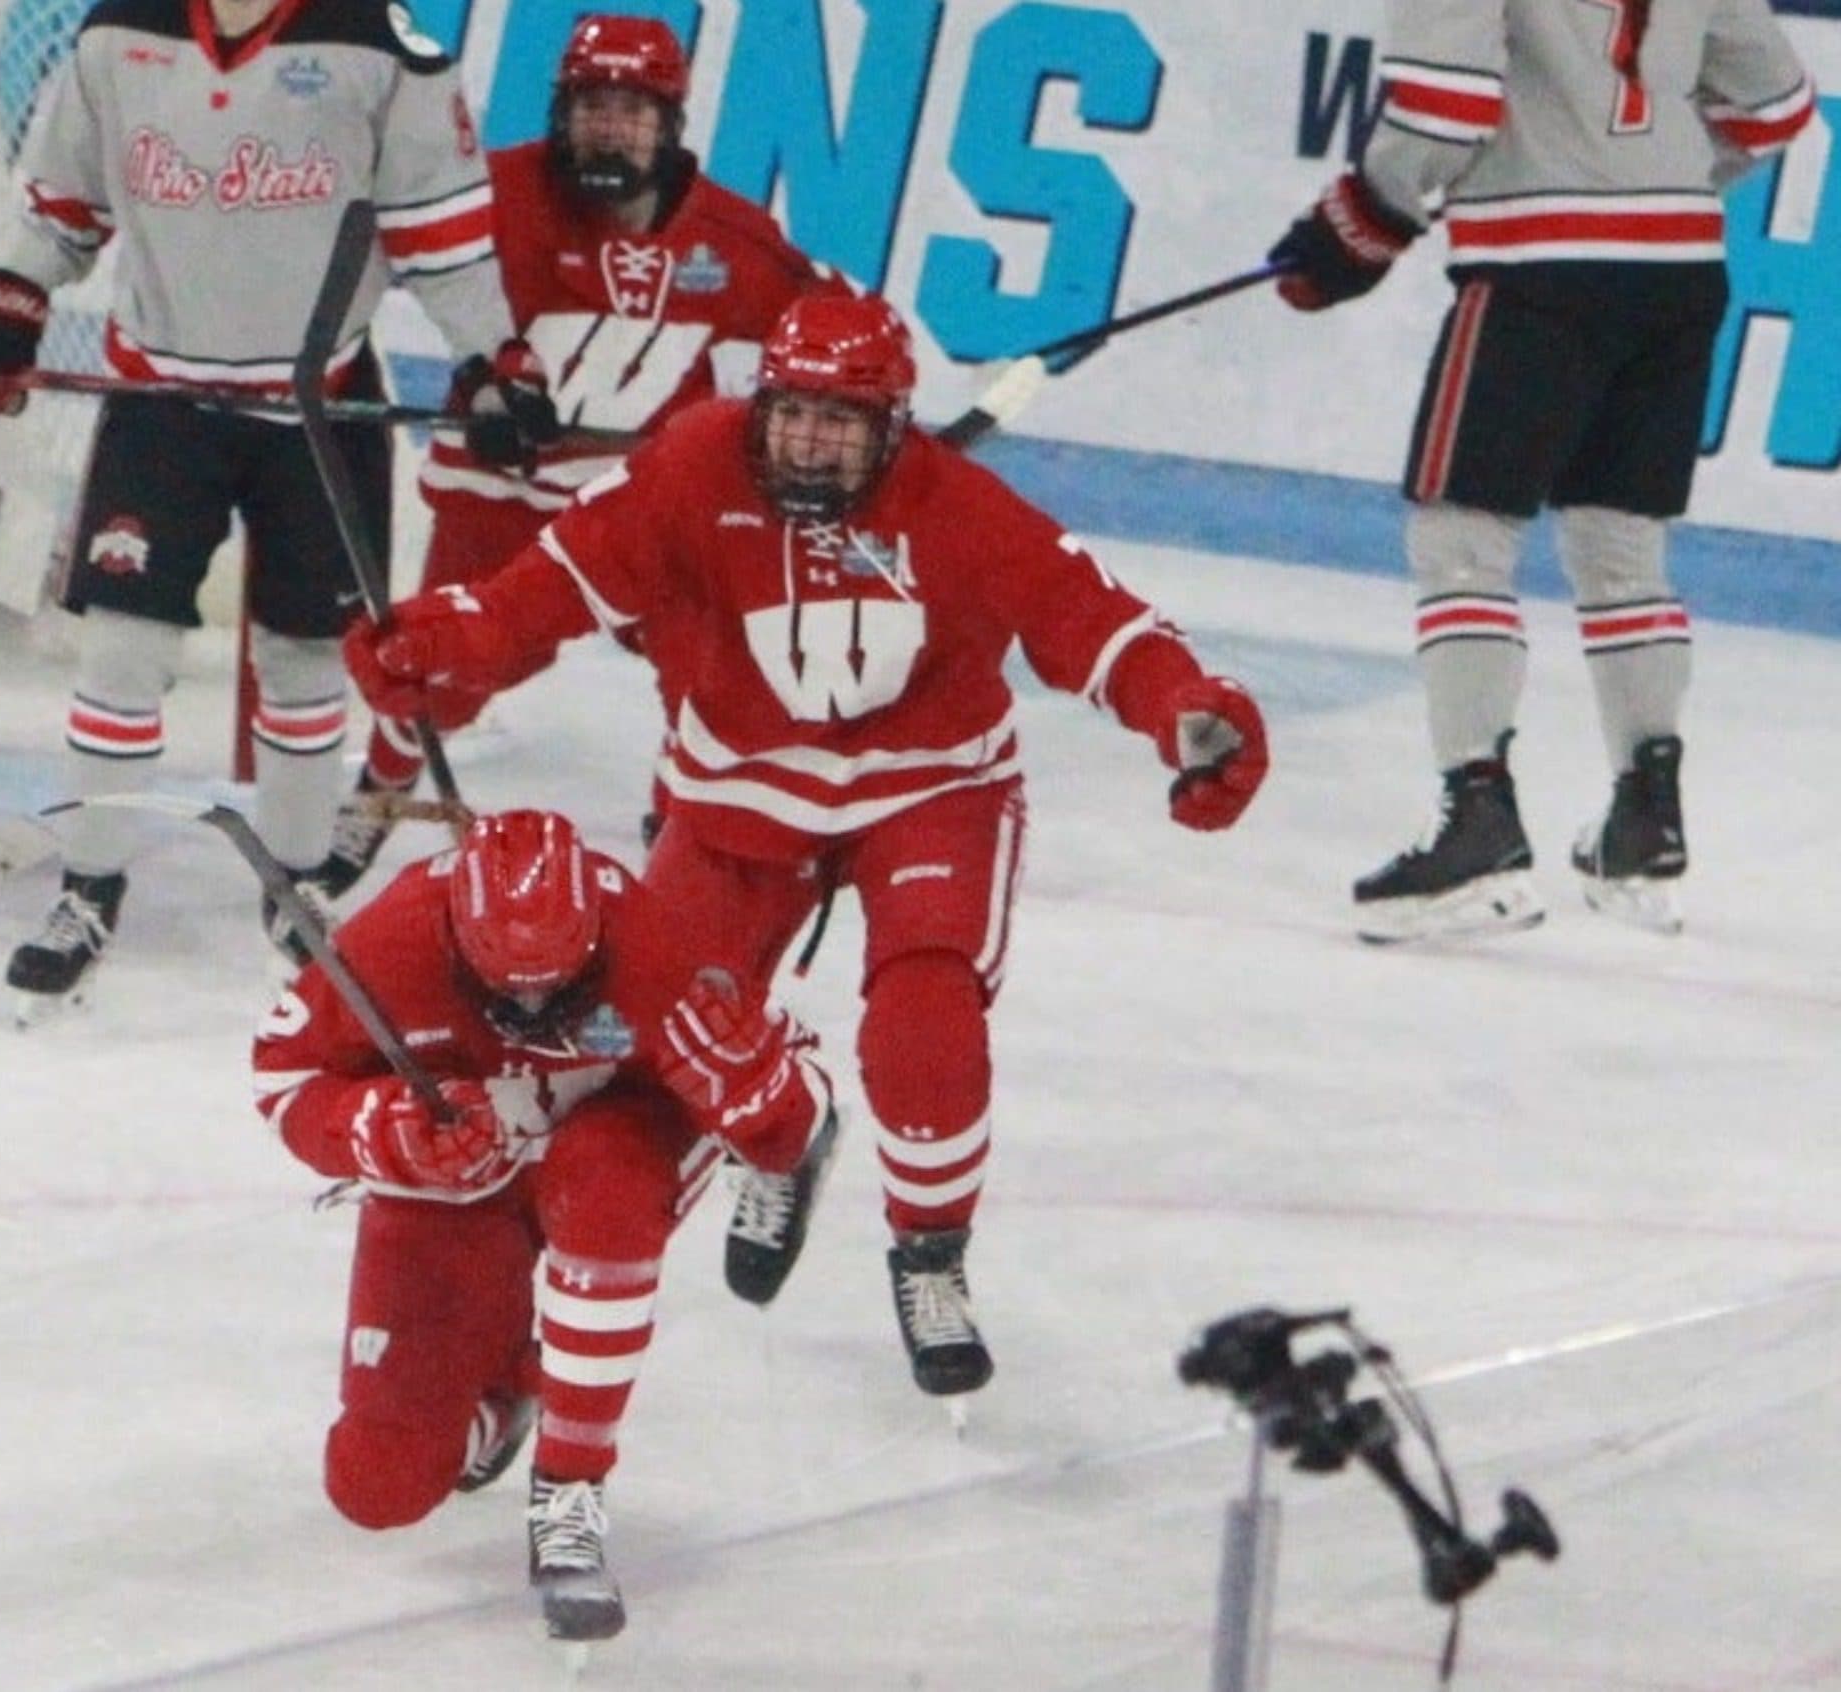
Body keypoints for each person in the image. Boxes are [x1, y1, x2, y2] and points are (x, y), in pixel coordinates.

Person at [343, 295, 1270, 1398]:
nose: (811, 440)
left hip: (929, 794)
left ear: (889, 427)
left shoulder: (951, 503)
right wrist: (447, 641)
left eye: (842, 420)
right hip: (737, 803)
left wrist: (1184, 708)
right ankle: (784, 1136)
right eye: (794, 412)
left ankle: (930, 1256)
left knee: (923, 1025)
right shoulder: (691, 470)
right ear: (762, 401)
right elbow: (553, 585)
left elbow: (1091, 620)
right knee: (661, 1049)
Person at [0, 0, 559, 1017]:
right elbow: (62, 208)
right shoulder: (116, 32)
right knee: (122, 656)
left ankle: (298, 883)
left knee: (307, 657)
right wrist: (5, 301)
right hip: (161, 402)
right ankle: (88, 889)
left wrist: (496, 364)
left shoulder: (379, 44)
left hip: (318, 401)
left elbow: (441, 234)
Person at [1266, 0, 1817, 941]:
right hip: (1678, 269)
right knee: (1621, 546)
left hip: (1540, 271)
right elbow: (1776, 106)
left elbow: (1441, 110)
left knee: (1462, 539)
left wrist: (1360, 224)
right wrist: (1654, 183)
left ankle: (1478, 821)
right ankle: (1646, 823)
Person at [251, 808, 831, 1639]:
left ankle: (571, 1490)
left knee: (605, 1197)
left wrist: (755, 1086)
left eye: (557, 981)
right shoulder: (392, 942)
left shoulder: (654, 942)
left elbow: (787, 1133)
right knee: (376, 1485)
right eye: (508, 985)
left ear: (593, 932)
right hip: (462, 1181)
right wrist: (387, 1129)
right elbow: (282, 1080)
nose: (532, 1002)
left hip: (613, 1134)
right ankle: (516, 1383)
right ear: (457, 936)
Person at [318, 12, 854, 896]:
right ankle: (383, 781)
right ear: (562, 112)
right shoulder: (493, 191)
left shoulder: (733, 239)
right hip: (503, 495)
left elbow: (834, 324)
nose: (611, 127)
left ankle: (681, 824)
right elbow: (380, 252)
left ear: (670, 125)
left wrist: (863, 411)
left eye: (633, 111)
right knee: (444, 672)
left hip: (650, 510)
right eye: (592, 107)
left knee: (714, 661)